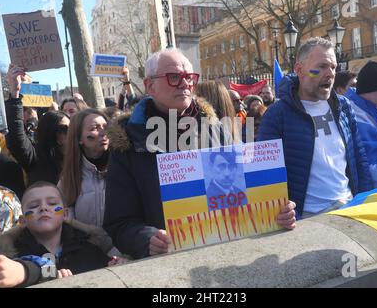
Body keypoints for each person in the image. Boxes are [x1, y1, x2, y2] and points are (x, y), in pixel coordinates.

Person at [103, 48, 297, 259]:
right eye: (174, 77)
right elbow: (119, 223)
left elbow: (244, 191)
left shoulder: (217, 129)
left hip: (227, 255)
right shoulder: (128, 142)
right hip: (168, 265)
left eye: (189, 78)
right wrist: (145, 238)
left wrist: (276, 210)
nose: (185, 84)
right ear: (150, 85)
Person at [258, 37, 373, 218]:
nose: (330, 74)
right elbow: (265, 175)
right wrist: (280, 210)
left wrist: (366, 202)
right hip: (309, 219)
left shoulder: (344, 106)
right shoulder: (276, 115)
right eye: (321, 67)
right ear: (299, 70)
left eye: (333, 67)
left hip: (351, 208)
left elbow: (359, 159)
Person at [0, 181, 125, 288]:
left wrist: (116, 266)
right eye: (34, 206)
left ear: (65, 214)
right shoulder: (12, 258)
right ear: (22, 221)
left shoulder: (89, 248)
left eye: (52, 203)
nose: (43, 208)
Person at [5, 64, 70, 185]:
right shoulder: (35, 158)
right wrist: (15, 93)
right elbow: (17, 136)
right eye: (64, 129)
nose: (71, 132)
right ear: (50, 132)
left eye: (72, 127)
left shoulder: (81, 157)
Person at [58, 109, 110, 230]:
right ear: (79, 138)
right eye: (95, 128)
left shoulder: (123, 169)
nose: (104, 133)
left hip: (122, 247)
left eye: (106, 127)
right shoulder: (68, 179)